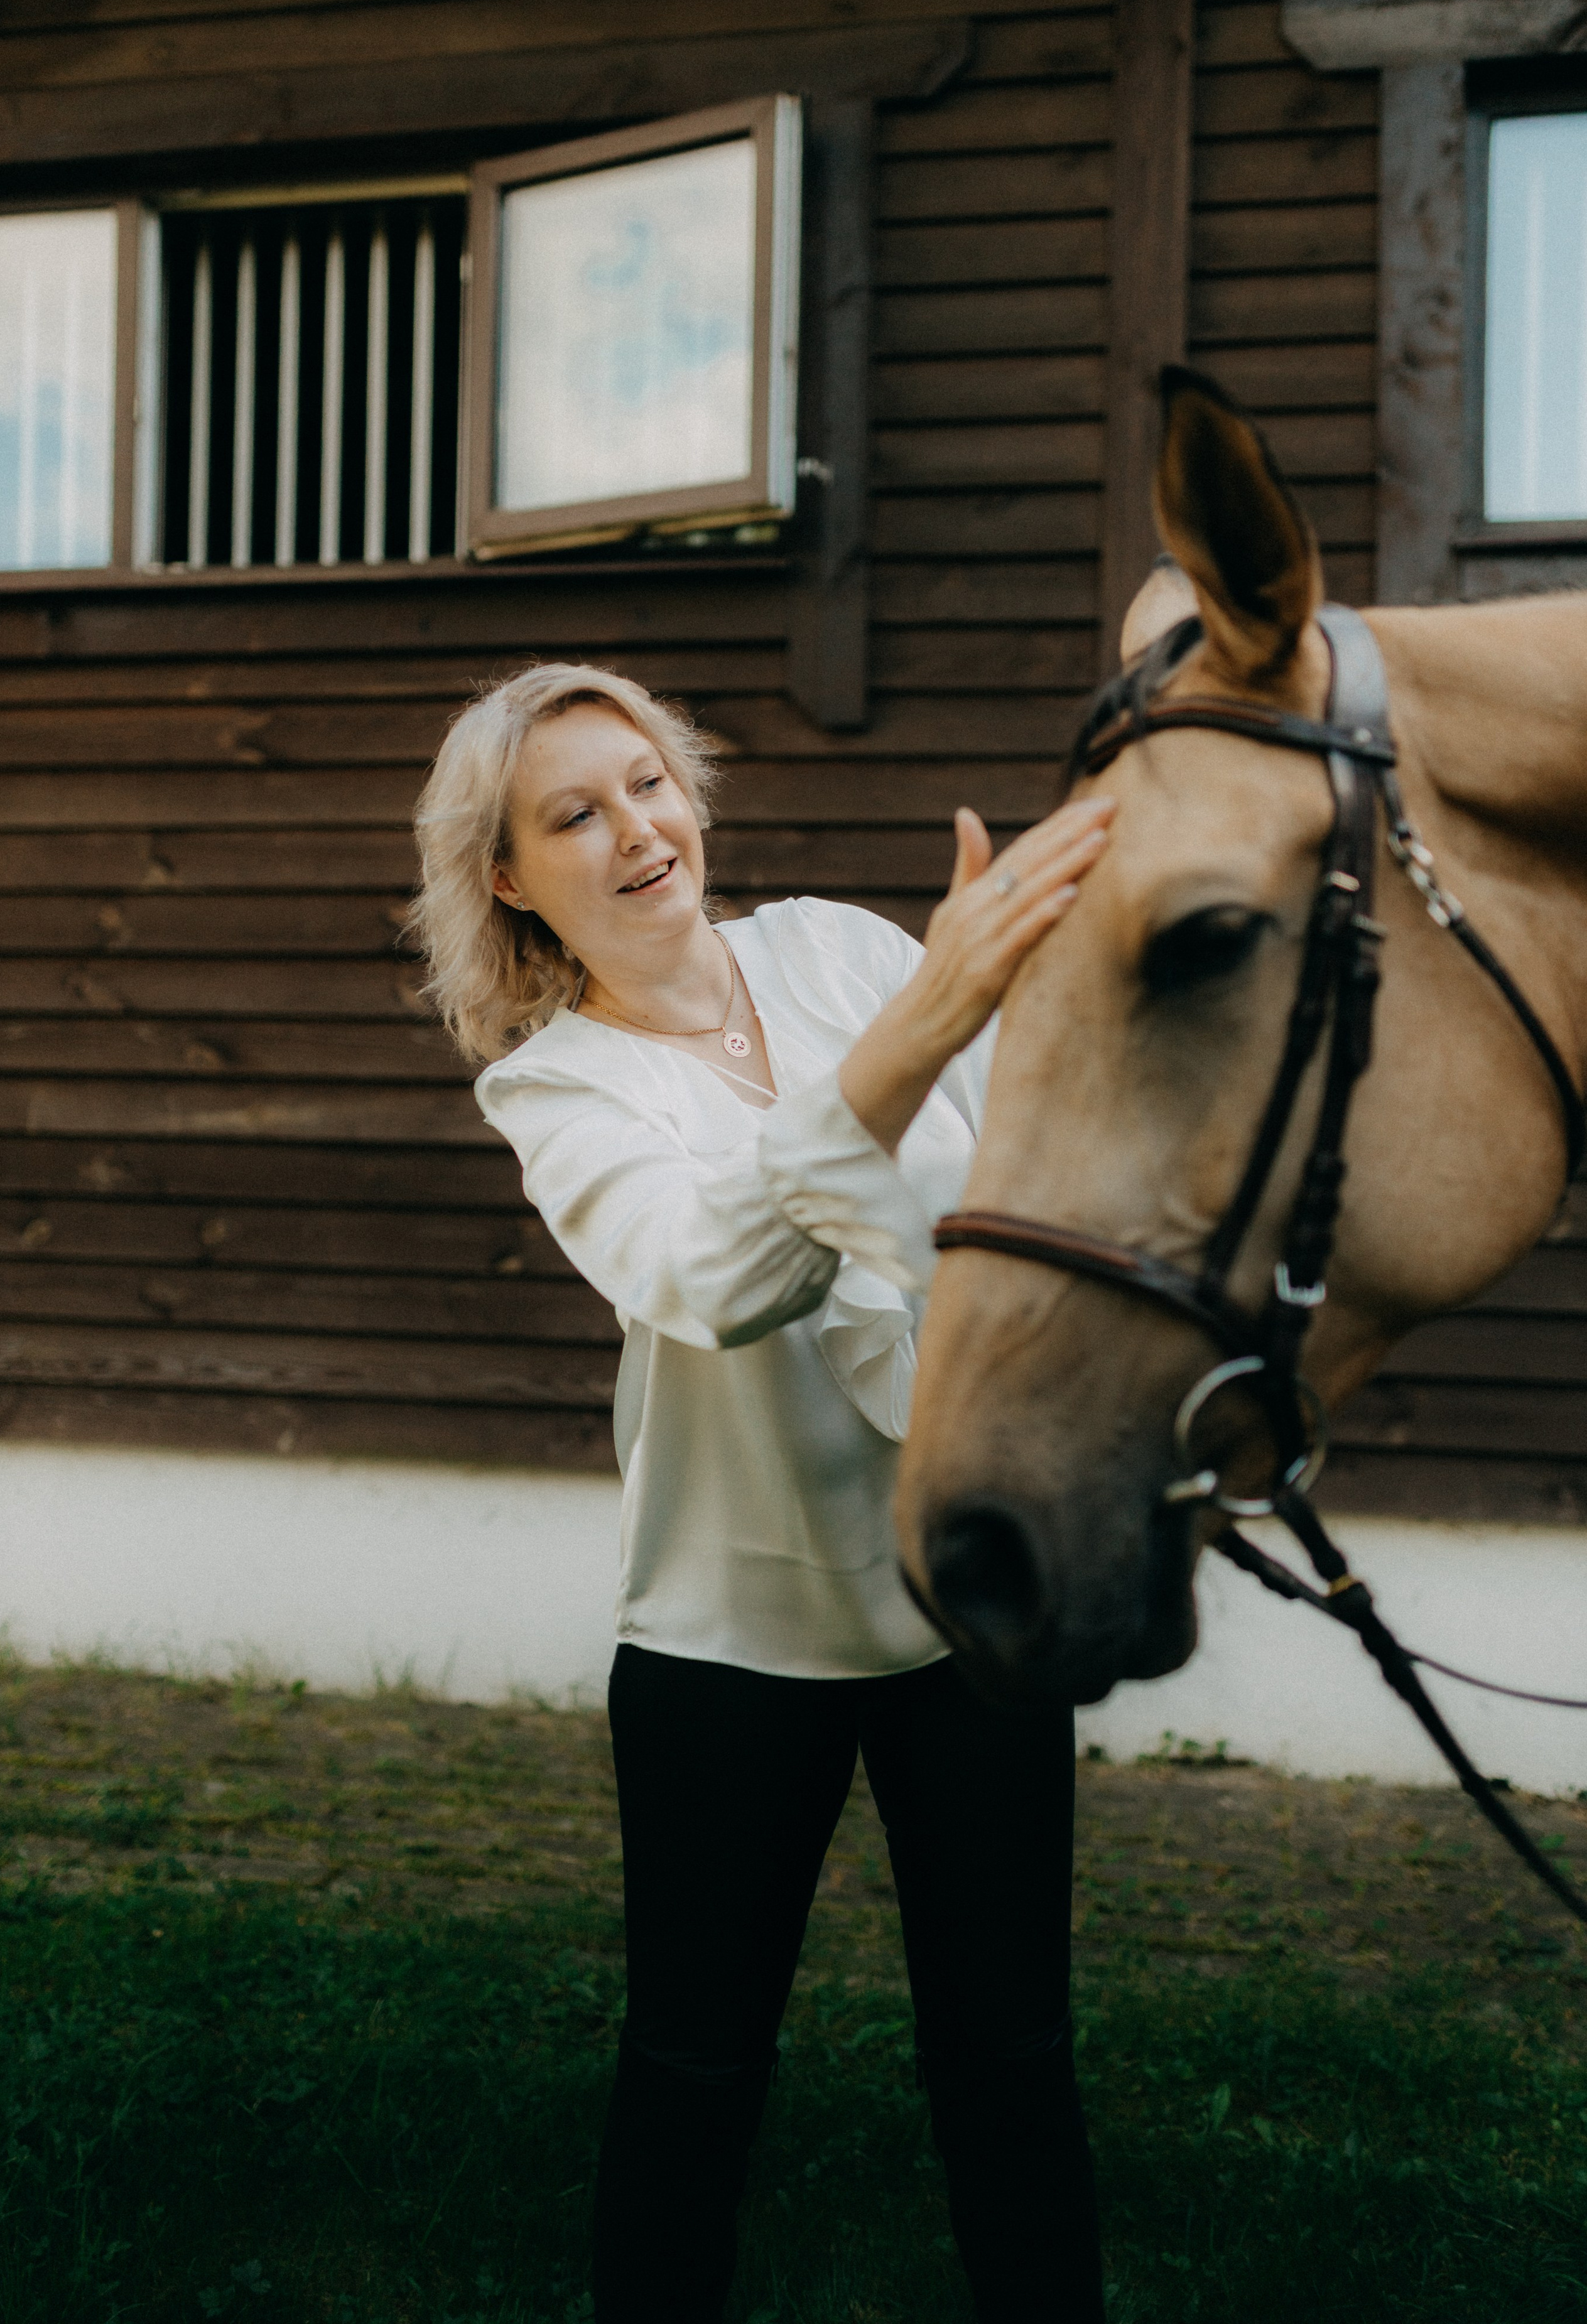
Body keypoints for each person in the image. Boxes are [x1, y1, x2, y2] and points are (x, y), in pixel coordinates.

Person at [409, 661, 1113, 2322]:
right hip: (733, 1643)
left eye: (647, 783)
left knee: (1012, 2056)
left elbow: (1020, 1182)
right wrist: (925, 1031)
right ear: (509, 876)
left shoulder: (844, 951)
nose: (636, 829)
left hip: (965, 1603)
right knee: (694, 2071)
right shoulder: (559, 1083)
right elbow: (710, 1277)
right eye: (574, 814)